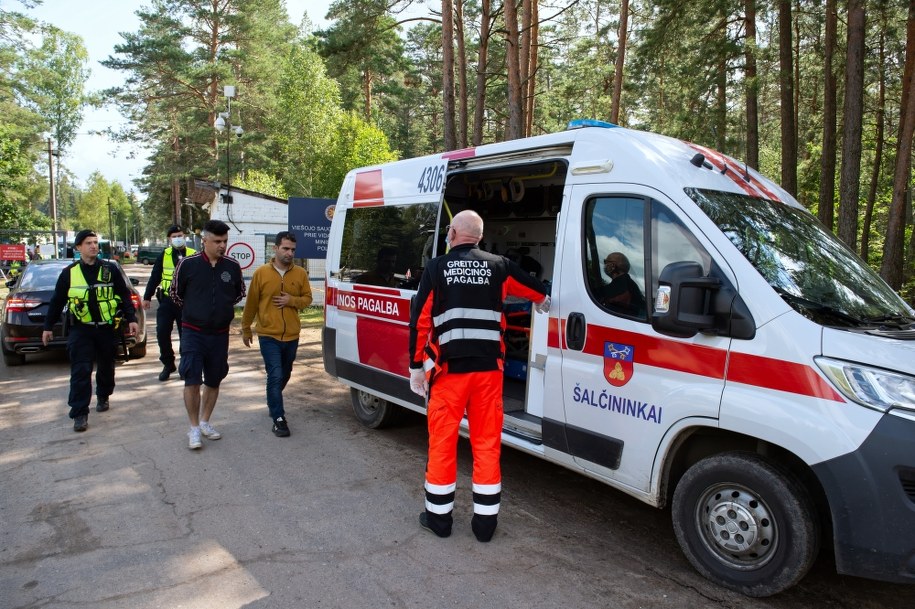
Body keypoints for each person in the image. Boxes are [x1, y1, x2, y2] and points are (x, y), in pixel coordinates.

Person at [408, 210, 550, 542]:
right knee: (486, 445)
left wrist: (416, 367)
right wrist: (544, 301)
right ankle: (485, 526)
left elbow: (420, 320)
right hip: (488, 373)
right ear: (480, 236)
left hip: (449, 374)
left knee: (443, 444)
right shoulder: (499, 266)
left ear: (454, 233)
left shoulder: (437, 268)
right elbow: (537, 291)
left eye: (448, 231)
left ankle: (439, 520)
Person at [41, 229, 139, 432]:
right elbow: (57, 301)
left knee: (106, 366)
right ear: (78, 248)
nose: (93, 246)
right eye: (88, 243)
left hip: (106, 329)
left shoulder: (110, 270)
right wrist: (48, 327)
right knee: (81, 370)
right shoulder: (69, 273)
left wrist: (131, 319)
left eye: (95, 242)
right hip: (81, 330)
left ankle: (103, 395)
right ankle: (79, 413)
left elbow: (124, 295)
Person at [170, 219, 245, 450]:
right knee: (192, 379)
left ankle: (205, 422)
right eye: (217, 241)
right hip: (193, 332)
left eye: (225, 241)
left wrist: (220, 310)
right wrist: (196, 310)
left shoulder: (232, 267)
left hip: (220, 334)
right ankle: (193, 429)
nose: (222, 246)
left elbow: (238, 293)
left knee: (214, 379)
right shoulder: (188, 265)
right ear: (205, 241)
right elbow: (175, 294)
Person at [241, 231, 313, 437]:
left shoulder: (300, 273)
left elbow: (307, 299)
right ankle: (278, 418)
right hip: (268, 334)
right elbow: (251, 303)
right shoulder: (261, 273)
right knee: (275, 374)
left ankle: (273, 400)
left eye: (292, 249)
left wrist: (292, 301)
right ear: (275, 249)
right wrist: (246, 328)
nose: (289, 253)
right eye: (285, 248)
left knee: (286, 373)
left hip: (292, 334)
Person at [142, 225, 196, 381]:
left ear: (184, 236)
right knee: (162, 333)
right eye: (174, 236)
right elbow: (155, 277)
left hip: (186, 303)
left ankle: (184, 366)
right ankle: (168, 363)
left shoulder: (193, 255)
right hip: (167, 301)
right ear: (169, 239)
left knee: (185, 335)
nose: (177, 238)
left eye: (179, 235)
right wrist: (147, 297)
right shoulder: (164, 255)